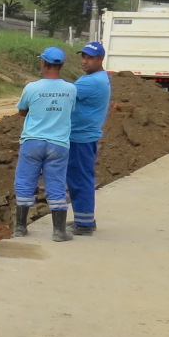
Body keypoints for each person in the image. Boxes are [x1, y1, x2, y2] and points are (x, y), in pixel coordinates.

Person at [14, 46, 76, 242]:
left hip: (32, 142)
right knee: (56, 185)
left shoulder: (32, 88)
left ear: (43, 63)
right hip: (58, 144)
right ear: (62, 65)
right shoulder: (71, 89)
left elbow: (22, 111)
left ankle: (20, 228)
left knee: (25, 182)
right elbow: (69, 111)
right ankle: (58, 231)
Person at [67, 42, 112, 236]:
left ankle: (84, 224)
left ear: (100, 59)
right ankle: (84, 219)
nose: (84, 61)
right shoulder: (100, 77)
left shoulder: (90, 82)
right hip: (85, 136)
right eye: (83, 57)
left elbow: (63, 96)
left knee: (80, 179)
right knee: (81, 177)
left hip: (80, 138)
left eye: (89, 58)